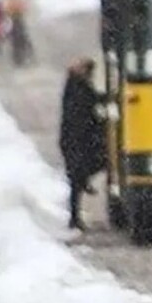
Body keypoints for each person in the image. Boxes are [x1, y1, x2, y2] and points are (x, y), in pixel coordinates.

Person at [58, 57, 107, 231]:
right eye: (90, 72)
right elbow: (87, 108)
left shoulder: (75, 86)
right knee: (77, 179)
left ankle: (75, 215)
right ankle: (74, 217)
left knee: (77, 179)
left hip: (76, 140)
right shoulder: (79, 88)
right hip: (76, 141)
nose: (91, 75)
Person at [4, 0, 33, 66]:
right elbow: (24, 9)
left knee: (17, 42)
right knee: (21, 41)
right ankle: (24, 58)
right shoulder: (15, 0)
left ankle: (19, 59)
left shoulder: (9, 1)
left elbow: (6, 11)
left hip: (15, 21)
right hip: (17, 21)